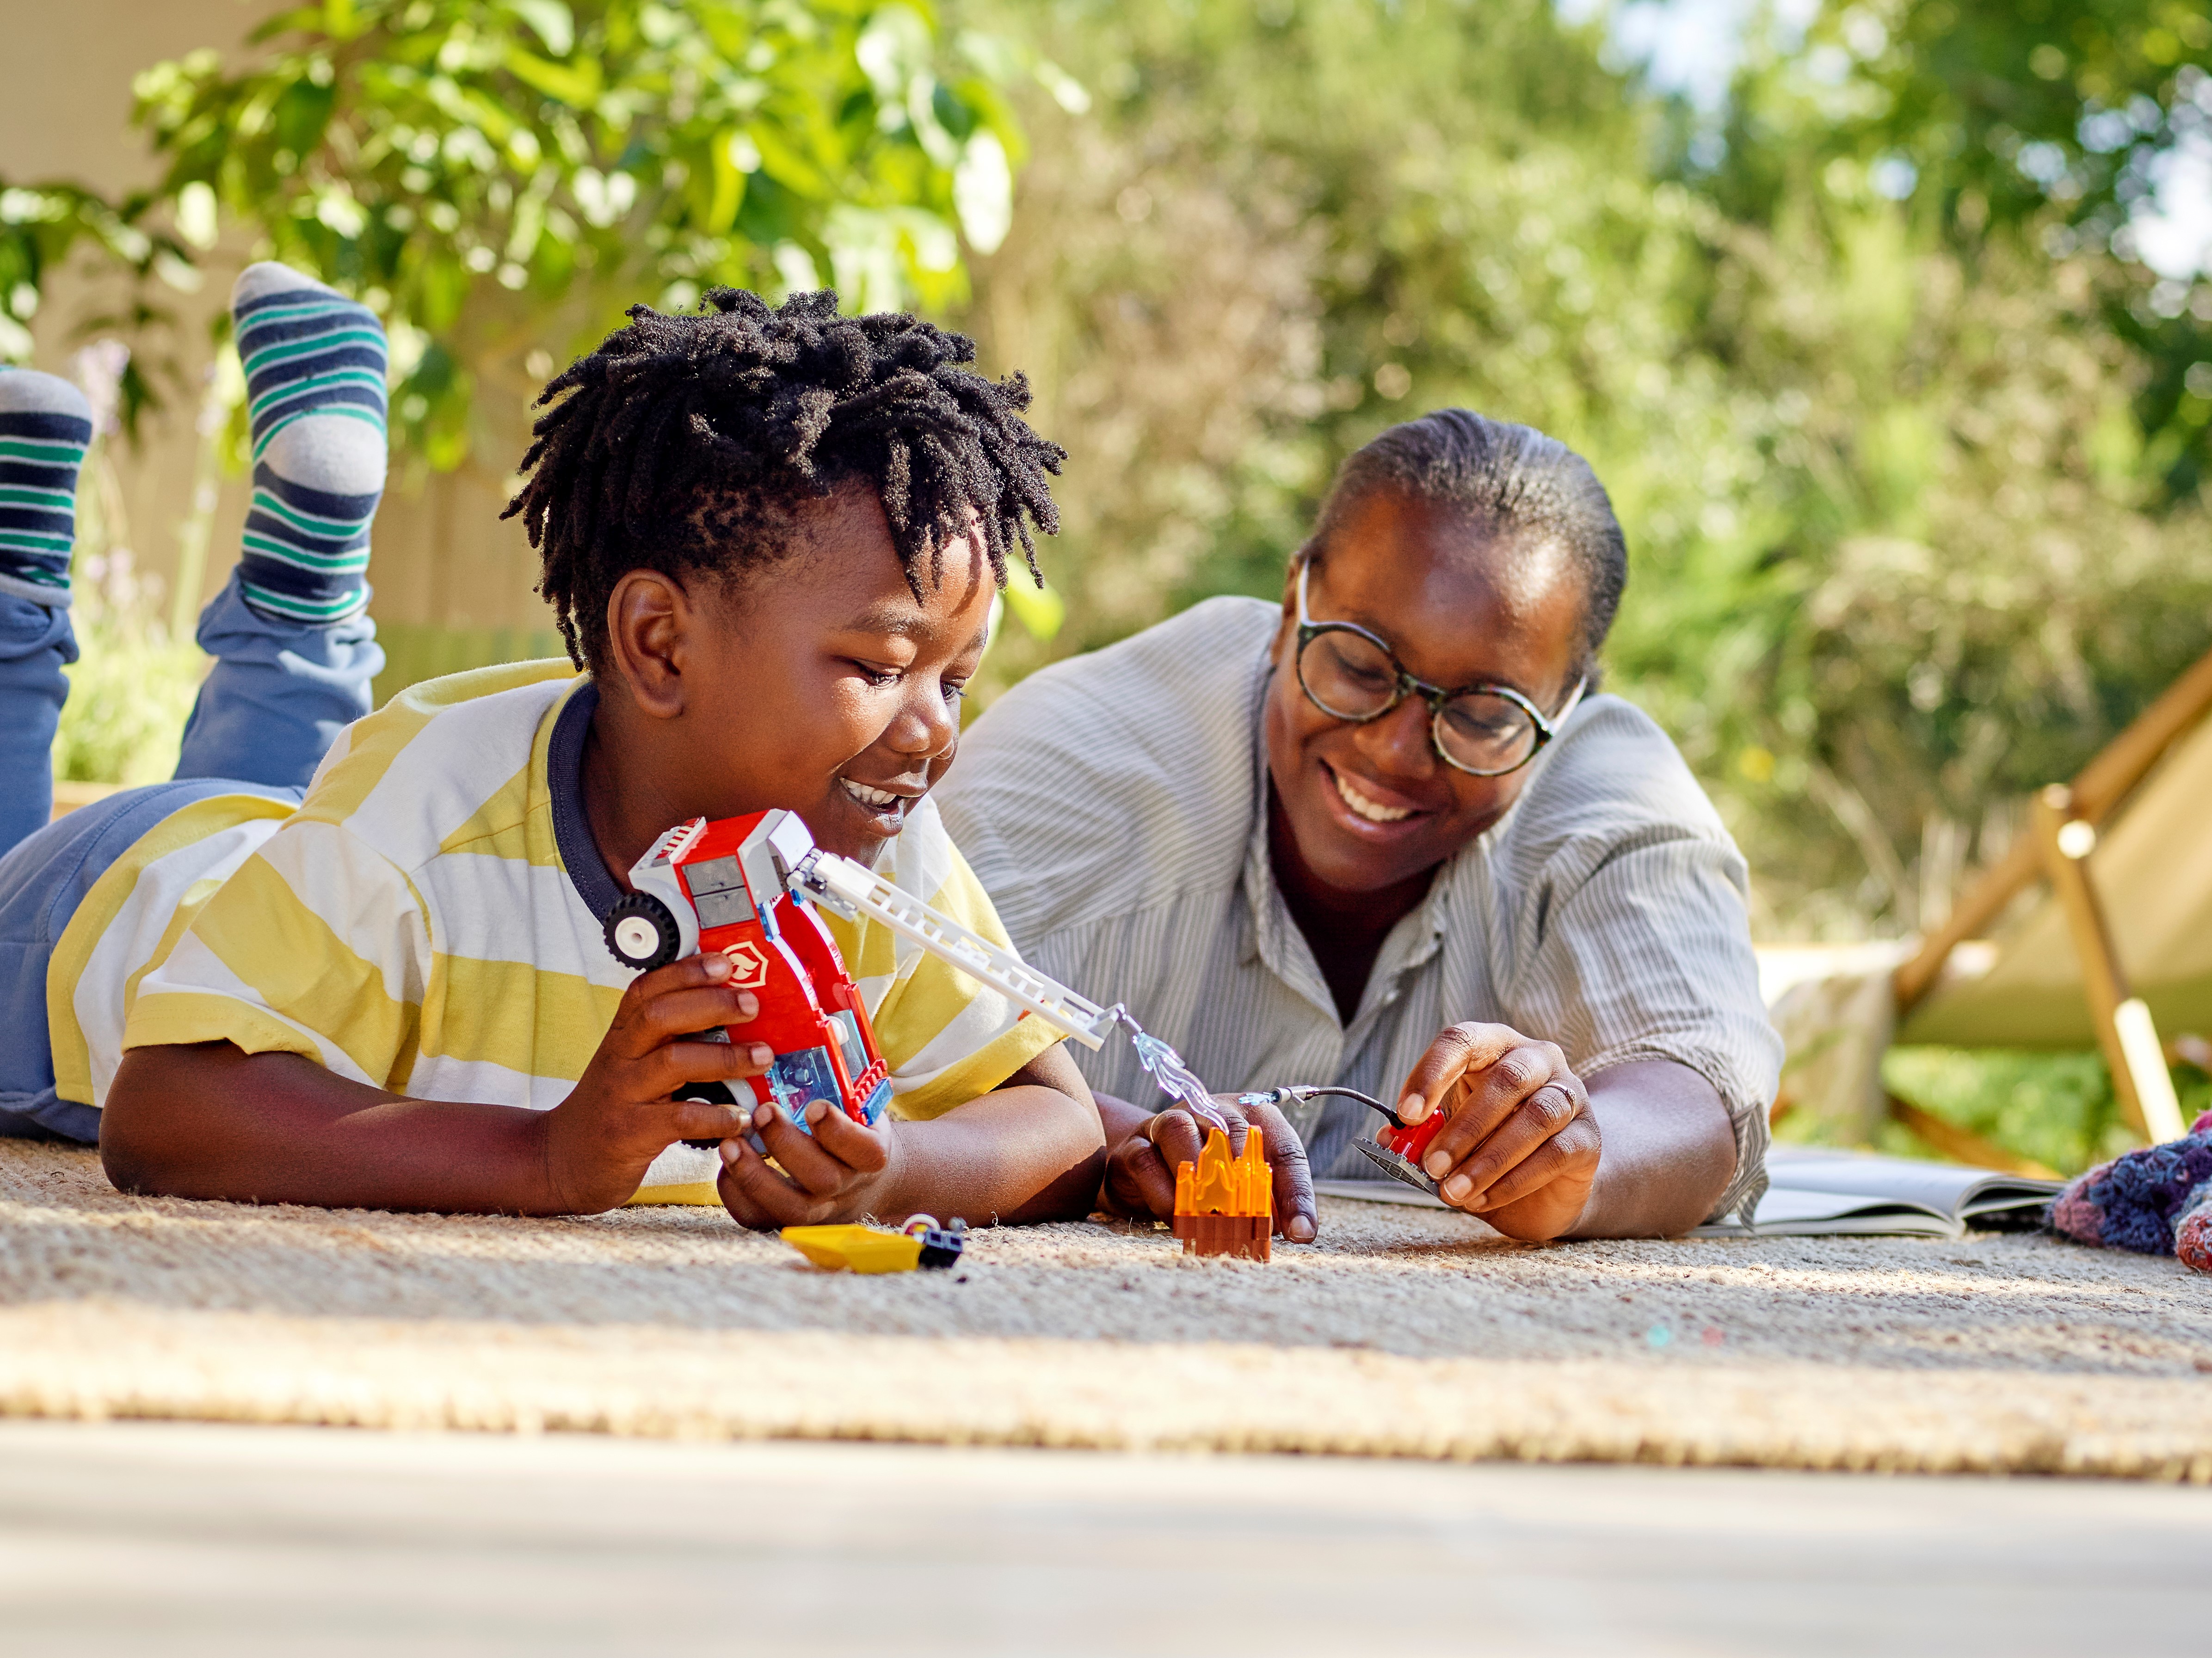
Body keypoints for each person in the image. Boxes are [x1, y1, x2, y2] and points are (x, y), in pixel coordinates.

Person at [0, 265, 1105, 1226]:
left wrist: (896, 1166)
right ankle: (19, 596)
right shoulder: (428, 804)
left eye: (955, 679)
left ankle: (306, 564)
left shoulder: (867, 836)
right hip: (99, 907)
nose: (934, 733)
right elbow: (167, 1113)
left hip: (296, 862)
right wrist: (544, 1154)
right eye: (876, 667)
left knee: (300, 801)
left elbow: (1053, 1116)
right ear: (659, 644)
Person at [937, 410, 1783, 1241]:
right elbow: (877, 1015)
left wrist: (1578, 1155)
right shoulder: (1076, 765)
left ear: (1569, 706)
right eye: (1355, 663)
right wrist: (1118, 1133)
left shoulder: (1613, 797)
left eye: (1485, 716)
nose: (1394, 749)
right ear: (1289, 604)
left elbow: (1703, 1087)